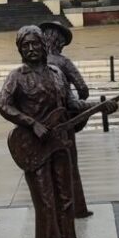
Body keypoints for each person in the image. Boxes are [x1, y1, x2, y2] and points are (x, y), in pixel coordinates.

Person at [0, 26, 116, 238]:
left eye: (35, 44)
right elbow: (4, 106)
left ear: (43, 46)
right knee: (46, 205)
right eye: (25, 46)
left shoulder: (57, 74)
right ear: (20, 49)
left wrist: (99, 106)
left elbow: (71, 105)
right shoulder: (16, 77)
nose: (31, 49)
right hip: (34, 149)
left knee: (65, 201)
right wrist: (31, 123)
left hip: (60, 145)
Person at [40, 21, 91, 219]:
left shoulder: (31, 64)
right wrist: (76, 102)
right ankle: (78, 208)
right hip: (62, 120)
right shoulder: (63, 62)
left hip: (40, 123)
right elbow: (83, 90)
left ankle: (50, 208)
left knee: (44, 169)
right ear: (60, 42)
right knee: (70, 165)